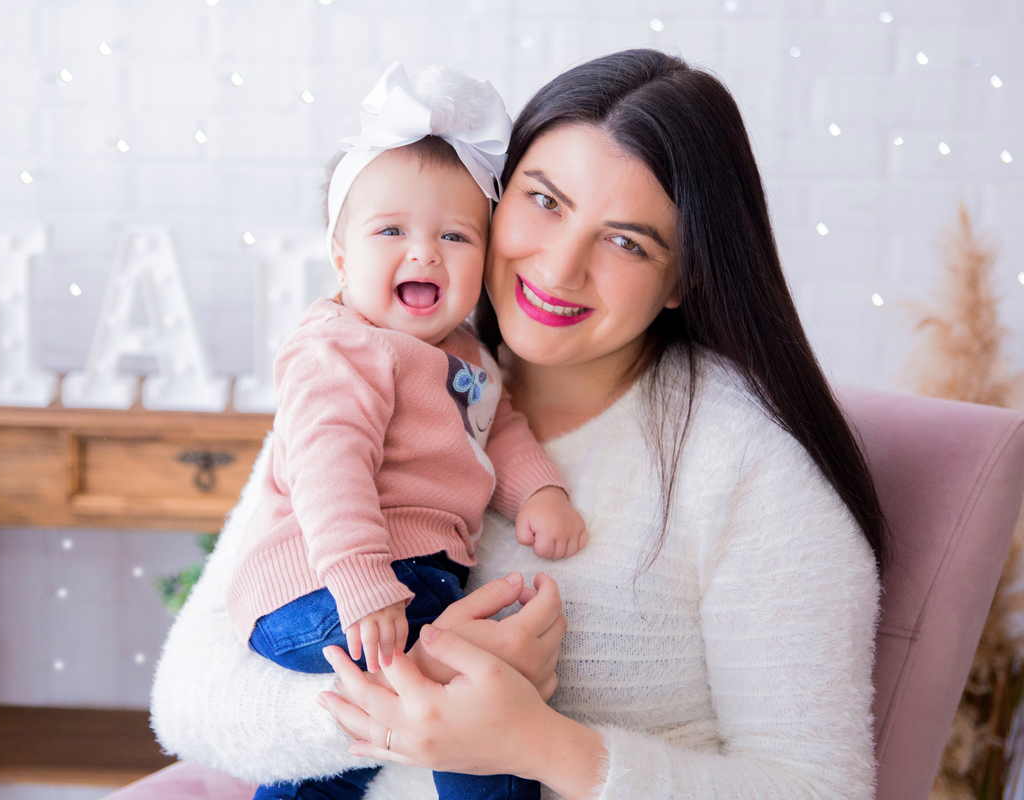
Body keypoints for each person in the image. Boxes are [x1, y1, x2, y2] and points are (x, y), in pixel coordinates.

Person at [152, 49, 886, 800]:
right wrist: (407, 698)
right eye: (544, 201)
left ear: (684, 278)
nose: (561, 267)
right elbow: (187, 697)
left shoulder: (748, 469)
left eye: (627, 241)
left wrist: (539, 743)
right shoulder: (372, 369)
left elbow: (817, 788)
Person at [225, 61, 586, 800]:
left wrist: (539, 492)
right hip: (321, 582)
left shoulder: (466, 358)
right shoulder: (342, 347)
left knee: (350, 749)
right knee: (475, 680)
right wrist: (360, 580)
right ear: (340, 256)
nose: (423, 252)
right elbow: (331, 467)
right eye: (390, 231)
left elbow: (501, 429)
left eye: (454, 236)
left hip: (405, 581)